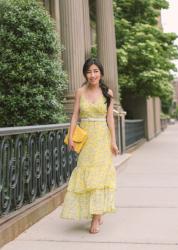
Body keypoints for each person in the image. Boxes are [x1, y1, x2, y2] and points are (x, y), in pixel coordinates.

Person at [60, 58, 119, 234]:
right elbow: (74, 116)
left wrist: (113, 141)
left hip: (102, 137)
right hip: (86, 139)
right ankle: (96, 211)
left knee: (100, 176)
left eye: (95, 71)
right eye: (89, 71)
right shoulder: (80, 91)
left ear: (100, 73)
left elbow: (110, 118)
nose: (92, 75)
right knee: (86, 173)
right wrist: (71, 136)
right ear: (85, 74)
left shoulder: (108, 92)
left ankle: (96, 217)